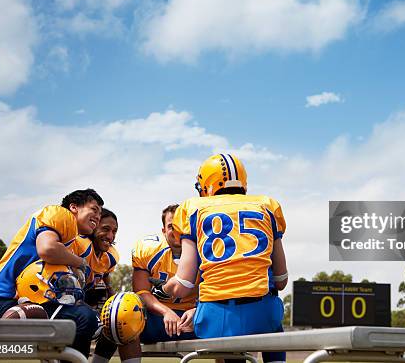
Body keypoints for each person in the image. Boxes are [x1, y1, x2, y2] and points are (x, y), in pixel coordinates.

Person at [152, 154, 288, 363]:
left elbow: (183, 284)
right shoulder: (267, 206)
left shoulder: (193, 209)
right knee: (273, 315)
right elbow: (281, 280)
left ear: (206, 185)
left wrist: (163, 289)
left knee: (223, 325)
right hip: (263, 316)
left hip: (215, 319)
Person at [0, 188, 104, 359]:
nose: (98, 217)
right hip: (5, 298)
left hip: (27, 299)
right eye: (94, 209)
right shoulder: (60, 214)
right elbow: (47, 249)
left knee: (83, 316)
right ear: (73, 207)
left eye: (100, 214)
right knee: (84, 318)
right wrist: (81, 263)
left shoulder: (71, 241)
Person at [90, 204, 197, 363]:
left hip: (195, 318)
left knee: (224, 316)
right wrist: (165, 311)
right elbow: (141, 292)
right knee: (119, 315)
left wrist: (198, 310)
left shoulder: (206, 249)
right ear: (163, 230)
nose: (177, 231)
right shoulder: (149, 249)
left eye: (182, 225)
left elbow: (216, 290)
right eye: (171, 226)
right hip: (158, 318)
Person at [73, 207, 120, 310]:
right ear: (92, 226)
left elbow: (105, 273)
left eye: (114, 231)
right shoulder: (81, 246)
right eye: (105, 229)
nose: (110, 236)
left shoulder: (110, 256)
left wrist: (111, 293)